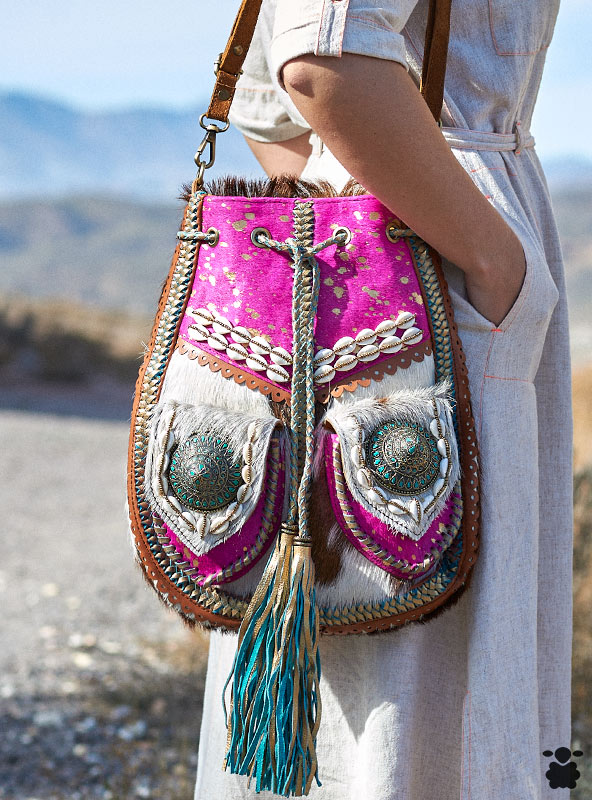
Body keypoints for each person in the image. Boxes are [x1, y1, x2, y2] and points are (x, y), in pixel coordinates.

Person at [194, 1, 573, 798]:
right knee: (432, 668)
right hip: (430, 258)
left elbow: (275, 117)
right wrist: (493, 263)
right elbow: (321, 61)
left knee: (392, 663)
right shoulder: (470, 257)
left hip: (401, 245)